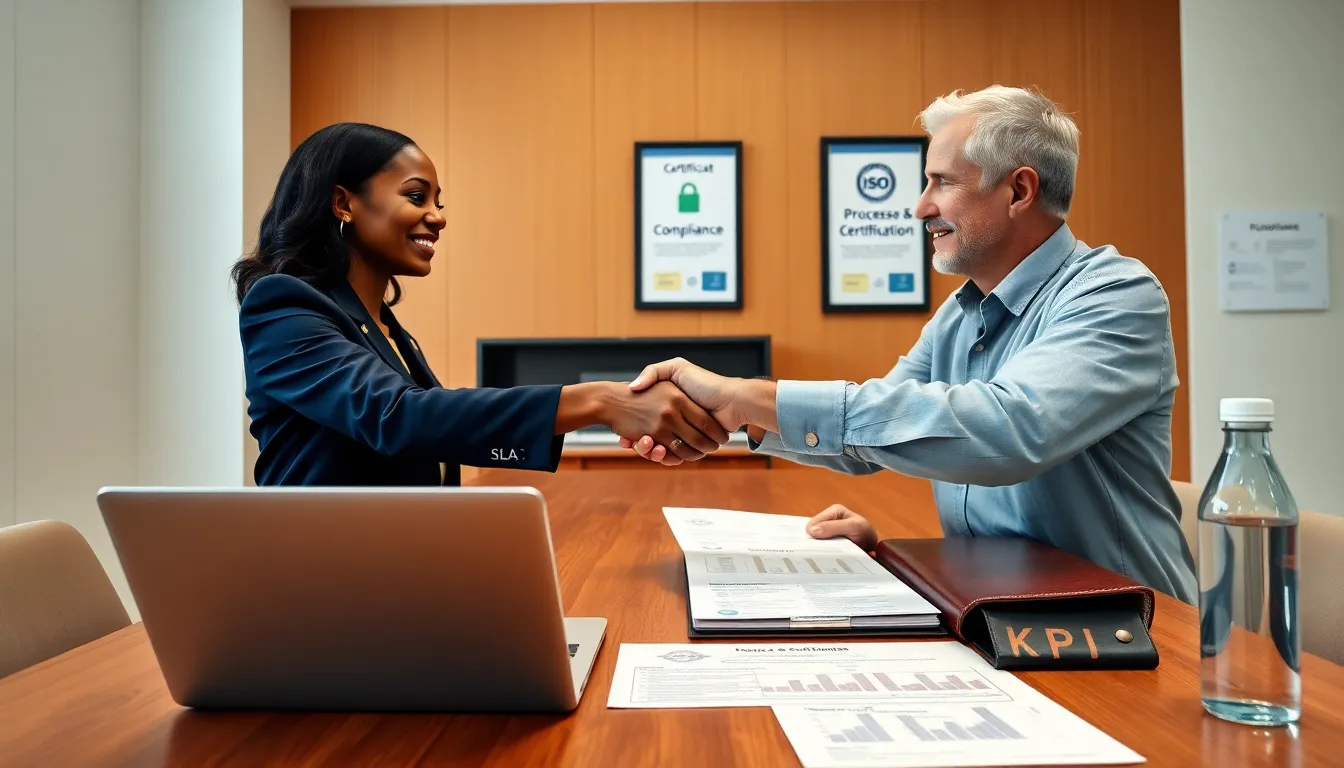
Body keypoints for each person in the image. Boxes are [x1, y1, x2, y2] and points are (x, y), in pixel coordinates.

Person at [621, 86, 1198, 604]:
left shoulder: (1117, 295)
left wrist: (748, 394)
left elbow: (1007, 432)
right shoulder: (959, 313)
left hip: (1131, 635)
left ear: (1019, 189)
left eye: (941, 182)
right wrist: (729, 419)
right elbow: (862, 439)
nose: (920, 206)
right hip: (1006, 615)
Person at [233, 122, 729, 486]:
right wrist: (599, 402)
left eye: (439, 202)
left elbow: (436, 435)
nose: (437, 217)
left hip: (394, 579)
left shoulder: (383, 326)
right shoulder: (281, 306)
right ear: (344, 203)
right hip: (317, 591)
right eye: (416, 196)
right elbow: (399, 418)